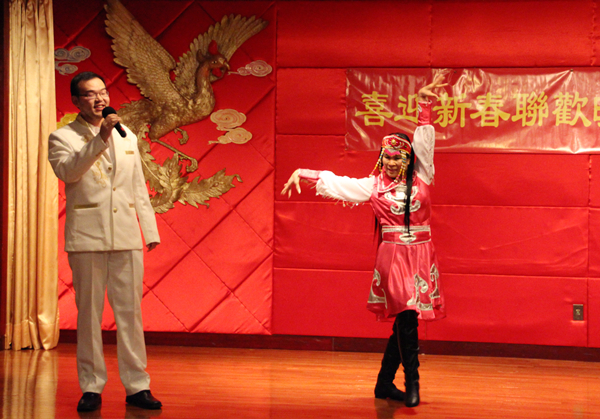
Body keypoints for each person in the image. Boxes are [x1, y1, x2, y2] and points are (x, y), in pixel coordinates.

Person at [282, 74, 447, 408]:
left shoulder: (422, 177)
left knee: (405, 319)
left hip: (420, 254)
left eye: (398, 157)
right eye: (387, 157)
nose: (391, 162)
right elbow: (338, 183)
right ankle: (413, 382)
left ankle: (384, 383)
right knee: (407, 314)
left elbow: (425, 142)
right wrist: (304, 173)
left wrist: (424, 106)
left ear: (408, 159)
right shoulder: (373, 187)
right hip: (393, 258)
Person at [48, 72, 162, 412]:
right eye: (90, 94)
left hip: (125, 234)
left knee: (130, 313)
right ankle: (91, 386)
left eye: (103, 92)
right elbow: (69, 172)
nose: (99, 99)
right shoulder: (62, 137)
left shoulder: (128, 135)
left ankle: (137, 385)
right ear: (76, 101)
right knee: (89, 314)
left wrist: (149, 231)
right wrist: (100, 138)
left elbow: (137, 184)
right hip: (87, 236)